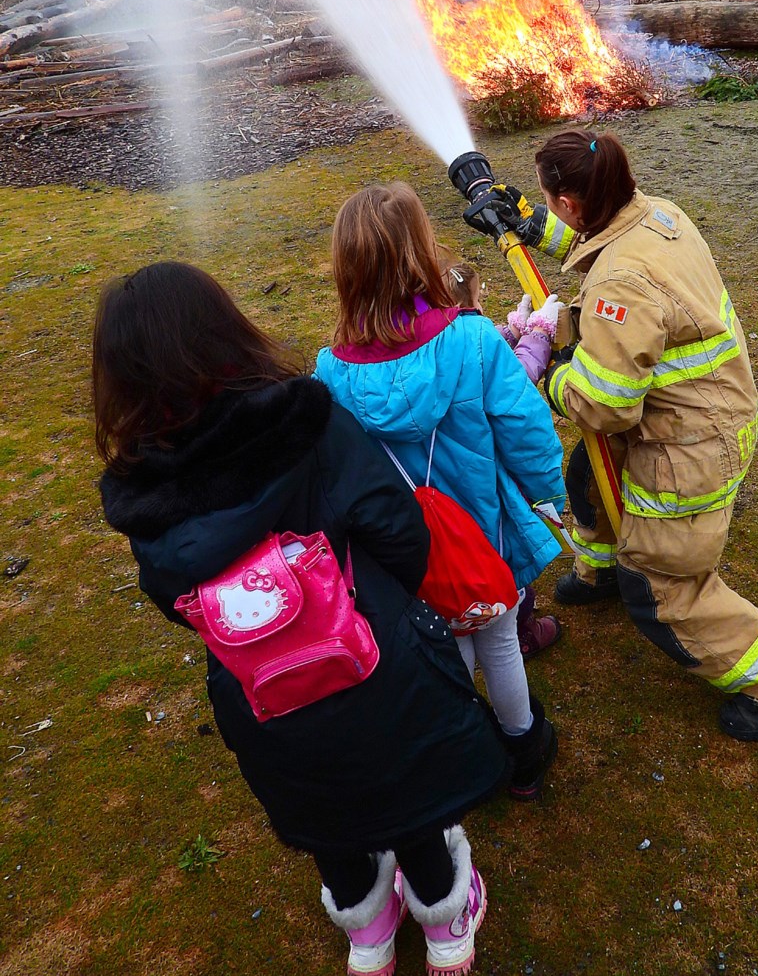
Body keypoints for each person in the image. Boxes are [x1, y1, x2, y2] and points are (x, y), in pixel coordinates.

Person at [94, 261, 508, 976]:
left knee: (323, 806)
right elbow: (397, 526)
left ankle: (369, 933)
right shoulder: (302, 417)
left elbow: (170, 597)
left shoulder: (140, 486)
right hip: (373, 656)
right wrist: (380, 604)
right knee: (409, 793)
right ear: (224, 329)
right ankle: (446, 924)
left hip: (260, 692)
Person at [483, 130, 758, 743]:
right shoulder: (655, 214)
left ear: (572, 201)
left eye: (548, 202)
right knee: (590, 479)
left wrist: (550, 366)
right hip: (698, 411)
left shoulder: (624, 286)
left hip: (691, 446)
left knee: (665, 590)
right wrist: (527, 223)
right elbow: (599, 250)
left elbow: (605, 405)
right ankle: (602, 572)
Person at [314, 184, 565, 802]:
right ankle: (524, 749)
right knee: (498, 635)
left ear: (346, 269)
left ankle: (457, 749)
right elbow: (525, 428)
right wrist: (550, 495)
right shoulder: (473, 341)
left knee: (446, 641)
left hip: (401, 545)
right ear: (422, 253)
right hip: (483, 529)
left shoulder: (329, 370)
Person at [443, 262, 563, 661]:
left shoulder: (435, 340)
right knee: (505, 563)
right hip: (486, 481)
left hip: (443, 485)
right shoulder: (472, 339)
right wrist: (539, 335)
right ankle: (521, 627)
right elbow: (515, 374)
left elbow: (484, 352)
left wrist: (513, 330)